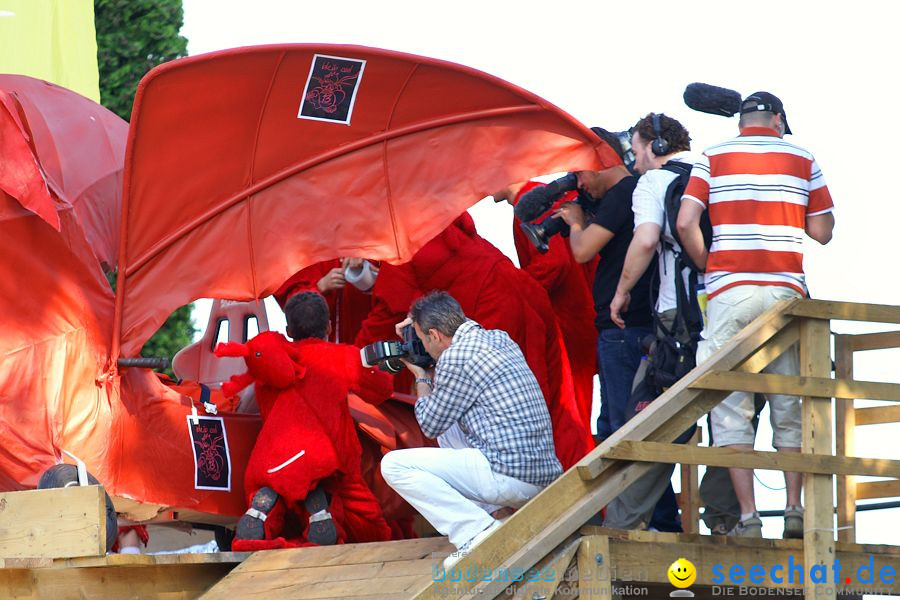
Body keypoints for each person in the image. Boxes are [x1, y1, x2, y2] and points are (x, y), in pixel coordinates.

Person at [677, 91, 835, 538]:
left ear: (742, 122)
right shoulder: (803, 157)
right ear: (779, 120)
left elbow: (687, 220)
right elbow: (821, 231)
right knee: (791, 398)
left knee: (730, 405)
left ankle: (747, 516)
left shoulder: (713, 156)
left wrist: (710, 264)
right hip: (786, 289)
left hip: (730, 288)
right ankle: (793, 509)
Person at [355, 213, 594, 469]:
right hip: (520, 290)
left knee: (523, 416)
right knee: (556, 404)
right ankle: (580, 485)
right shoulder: (428, 213)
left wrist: (345, 364)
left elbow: (386, 315)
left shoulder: (399, 244)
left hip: (493, 309)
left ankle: (544, 493)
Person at [380, 291, 562, 568]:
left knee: (393, 465)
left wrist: (420, 375)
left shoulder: (455, 358)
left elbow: (428, 424)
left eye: (422, 339)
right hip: (542, 476)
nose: (423, 348)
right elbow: (443, 420)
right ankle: (496, 517)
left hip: (509, 477)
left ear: (436, 335)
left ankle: (475, 533)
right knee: (449, 421)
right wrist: (419, 323)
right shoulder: (499, 338)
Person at [227, 292, 394, 549]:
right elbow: (381, 389)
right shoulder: (342, 357)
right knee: (364, 518)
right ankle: (321, 506)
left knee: (280, 491)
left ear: (288, 329)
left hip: (272, 459)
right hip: (325, 458)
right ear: (328, 327)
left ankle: (263, 511)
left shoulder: (270, 362)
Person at [601, 113, 694, 532]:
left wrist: (620, 294)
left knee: (644, 417)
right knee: (725, 417)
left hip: (677, 319)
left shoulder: (651, 183)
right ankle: (733, 519)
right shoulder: (709, 170)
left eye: (636, 149)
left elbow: (645, 240)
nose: (633, 159)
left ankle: (628, 524)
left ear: (655, 148)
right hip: (718, 307)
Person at [555, 165, 655, 445]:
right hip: (633, 324)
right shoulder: (637, 191)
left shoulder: (623, 192)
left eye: (580, 174)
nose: (579, 184)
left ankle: (639, 490)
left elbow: (582, 251)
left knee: (620, 432)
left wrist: (576, 222)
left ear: (599, 166)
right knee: (618, 426)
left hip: (623, 328)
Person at [493, 182, 598, 428]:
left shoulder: (532, 202)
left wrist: (515, 290)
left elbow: (554, 263)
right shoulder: (537, 197)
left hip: (566, 322)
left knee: (569, 413)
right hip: (574, 317)